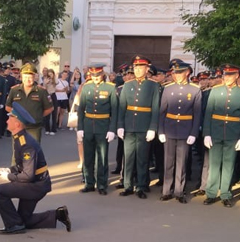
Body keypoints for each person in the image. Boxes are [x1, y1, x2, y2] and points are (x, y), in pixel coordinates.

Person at [0, 102, 71, 235]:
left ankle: (14, 225)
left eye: (10, 118)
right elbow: (21, 165)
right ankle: (58, 215)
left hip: (35, 185)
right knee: (25, 220)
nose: (6, 120)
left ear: (17, 124)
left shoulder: (26, 144)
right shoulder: (20, 138)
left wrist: (8, 177)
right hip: (38, 183)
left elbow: (28, 176)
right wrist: (8, 170)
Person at [202, 64, 240, 207]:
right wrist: (207, 134)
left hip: (233, 133)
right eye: (225, 75)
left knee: (228, 165)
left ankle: (225, 194)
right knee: (214, 164)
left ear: (237, 76)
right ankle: (211, 193)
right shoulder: (215, 91)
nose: (227, 77)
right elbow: (208, 113)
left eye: (231, 75)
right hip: (215, 132)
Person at [158, 59, 202, 203]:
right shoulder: (168, 89)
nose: (176, 75)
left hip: (185, 130)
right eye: (175, 73)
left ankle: (179, 191)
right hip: (170, 129)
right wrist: (161, 131)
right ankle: (166, 190)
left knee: (182, 163)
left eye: (179, 72)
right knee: (168, 162)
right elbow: (162, 112)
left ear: (187, 72)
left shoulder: (195, 90)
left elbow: (197, 114)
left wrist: (194, 133)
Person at [117, 56, 161, 199]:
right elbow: (122, 108)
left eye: (140, 67)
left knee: (143, 158)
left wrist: (152, 128)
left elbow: (155, 108)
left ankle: (141, 186)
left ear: (147, 69)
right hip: (129, 126)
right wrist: (120, 126)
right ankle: (128, 185)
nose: (137, 70)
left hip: (144, 126)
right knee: (128, 157)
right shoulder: (127, 86)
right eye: (135, 67)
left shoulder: (153, 86)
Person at [77, 63, 118, 195]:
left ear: (102, 75)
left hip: (103, 126)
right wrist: (80, 128)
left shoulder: (110, 88)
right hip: (88, 125)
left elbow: (114, 110)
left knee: (102, 157)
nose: (95, 78)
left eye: (97, 75)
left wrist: (112, 129)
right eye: (93, 75)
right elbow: (81, 109)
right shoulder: (86, 87)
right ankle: (89, 183)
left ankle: (102, 184)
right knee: (88, 157)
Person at [5, 63, 53, 144]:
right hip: (18, 127)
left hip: (34, 128)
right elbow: (8, 107)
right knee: (18, 153)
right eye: (25, 77)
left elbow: (49, 108)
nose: (28, 79)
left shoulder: (41, 91)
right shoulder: (14, 90)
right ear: (21, 77)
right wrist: (18, 116)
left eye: (30, 77)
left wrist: (37, 115)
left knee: (32, 152)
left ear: (34, 77)